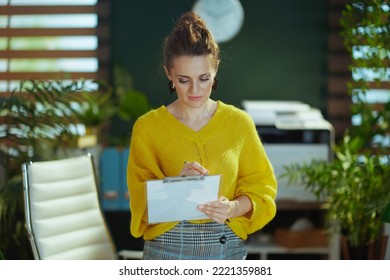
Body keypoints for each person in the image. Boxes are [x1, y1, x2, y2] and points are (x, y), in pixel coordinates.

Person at [127, 11, 277, 260]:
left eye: (204, 78)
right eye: (184, 80)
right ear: (169, 74)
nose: (195, 90)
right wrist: (175, 184)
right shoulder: (148, 128)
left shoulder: (239, 124)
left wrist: (232, 208)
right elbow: (140, 202)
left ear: (215, 70)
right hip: (164, 253)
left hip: (225, 251)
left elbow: (262, 190)